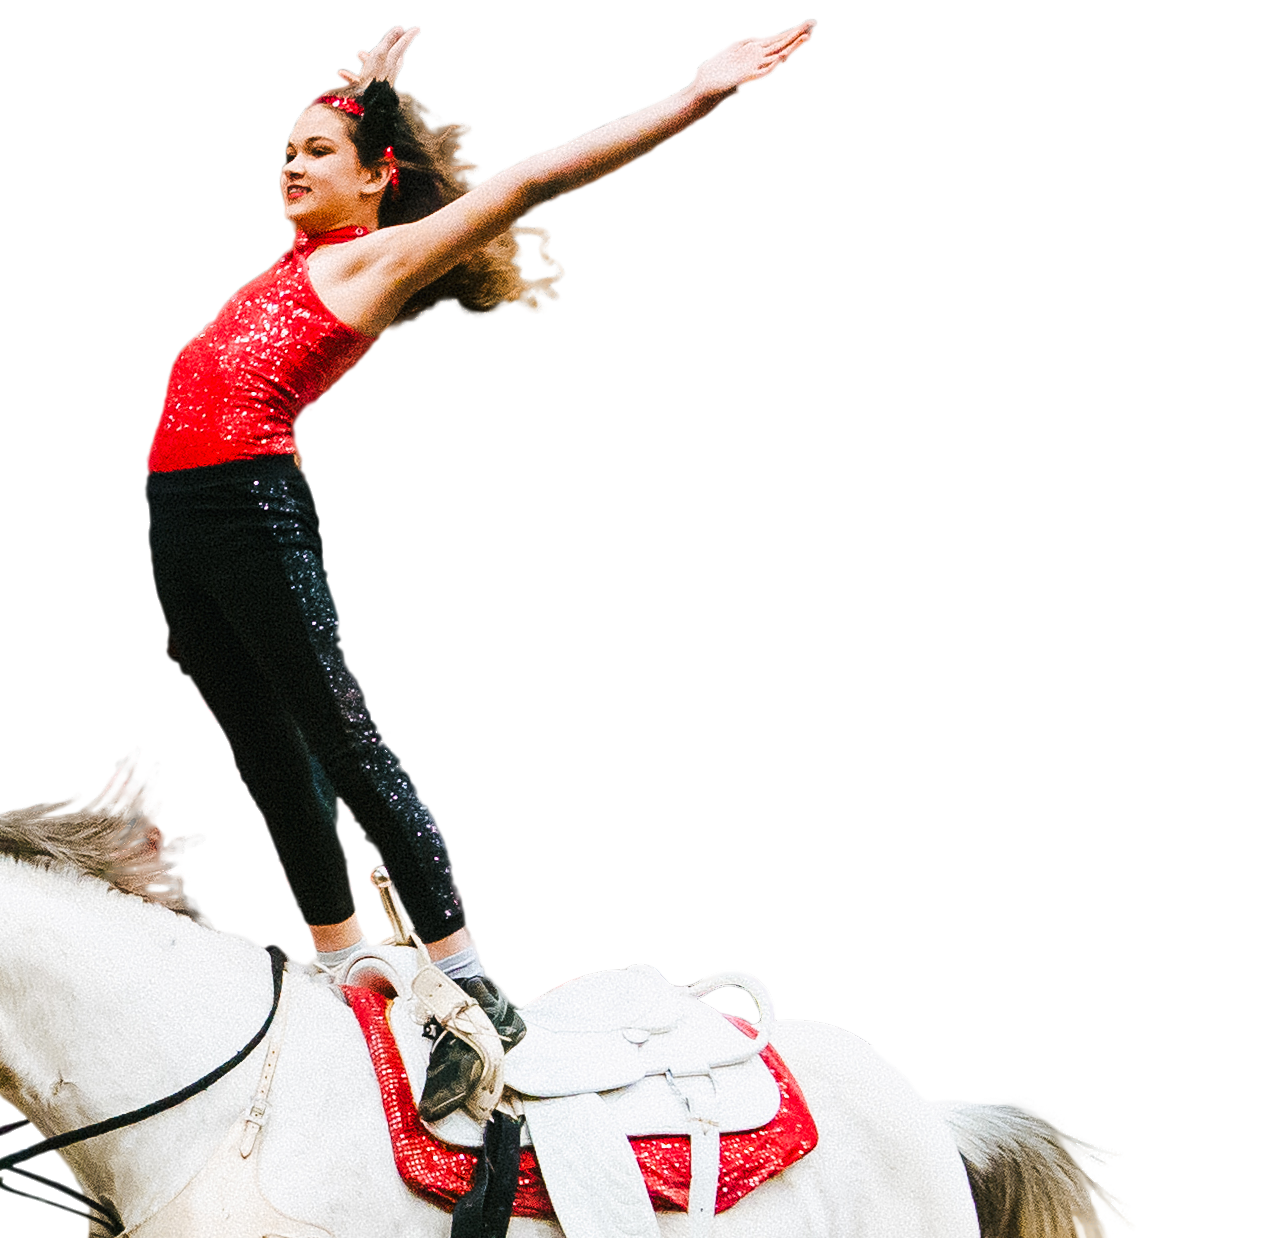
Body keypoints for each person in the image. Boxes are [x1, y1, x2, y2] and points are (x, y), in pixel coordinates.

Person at [143, 20, 815, 1121]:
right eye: (287, 151)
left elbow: (535, 178)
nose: (291, 166)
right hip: (179, 518)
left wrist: (698, 97)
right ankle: (339, 959)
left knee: (340, 735)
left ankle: (467, 982)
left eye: (317, 153)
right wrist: (370, 98)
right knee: (260, 740)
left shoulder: (377, 257)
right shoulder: (302, 256)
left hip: (249, 510)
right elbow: (356, 149)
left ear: (377, 182)